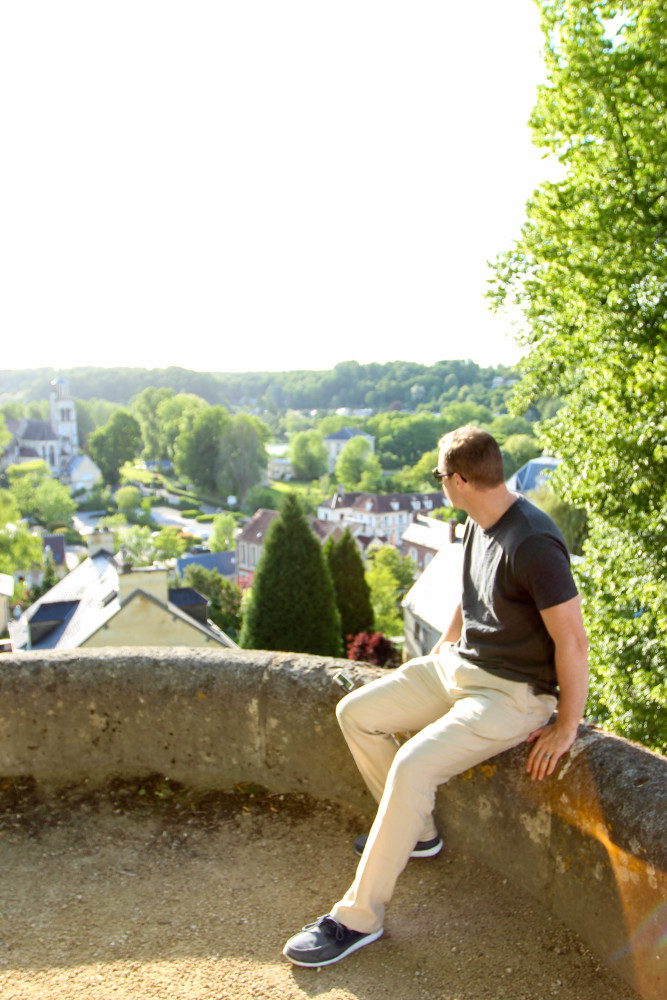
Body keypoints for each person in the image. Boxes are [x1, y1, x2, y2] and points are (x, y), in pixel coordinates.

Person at [283, 425, 589, 968]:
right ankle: (418, 834)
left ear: (461, 479)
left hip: (512, 695)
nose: (439, 484)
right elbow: (472, 597)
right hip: (460, 667)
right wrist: (445, 649)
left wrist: (566, 725)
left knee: (413, 763)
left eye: (440, 477)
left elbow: (572, 639)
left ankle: (359, 917)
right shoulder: (478, 518)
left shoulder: (535, 541)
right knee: (357, 713)